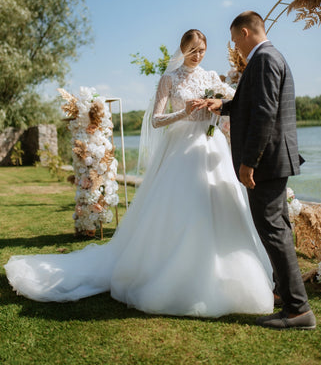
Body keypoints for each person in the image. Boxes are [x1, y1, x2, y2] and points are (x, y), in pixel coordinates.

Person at [5, 29, 274, 318]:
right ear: (182, 50)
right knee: (183, 209)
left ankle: (231, 274)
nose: (199, 55)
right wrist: (184, 112)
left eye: (203, 50)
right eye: (194, 50)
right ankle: (173, 271)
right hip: (181, 150)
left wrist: (217, 103)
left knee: (224, 203)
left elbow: (235, 100)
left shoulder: (211, 77)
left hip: (212, 148)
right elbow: (157, 120)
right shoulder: (169, 79)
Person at [197, 12, 316, 329]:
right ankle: (289, 300)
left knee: (272, 231)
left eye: (235, 39)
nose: (235, 46)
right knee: (278, 229)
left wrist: (249, 163)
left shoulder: (263, 60)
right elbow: (252, 103)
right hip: (276, 158)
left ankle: (298, 310)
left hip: (267, 161)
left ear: (246, 32)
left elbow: (264, 115)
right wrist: (221, 106)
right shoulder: (270, 57)